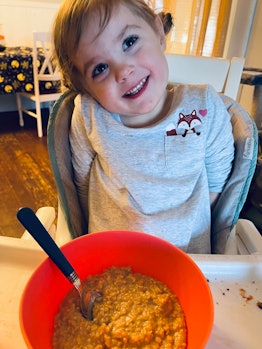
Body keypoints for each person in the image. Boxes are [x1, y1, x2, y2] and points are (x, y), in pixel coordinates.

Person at [52, 0, 234, 253]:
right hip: (110, 259)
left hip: (189, 258)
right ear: (84, 85)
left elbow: (217, 179)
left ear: (158, 32)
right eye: (100, 68)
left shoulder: (205, 106)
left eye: (129, 42)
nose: (124, 71)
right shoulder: (89, 115)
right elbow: (80, 186)